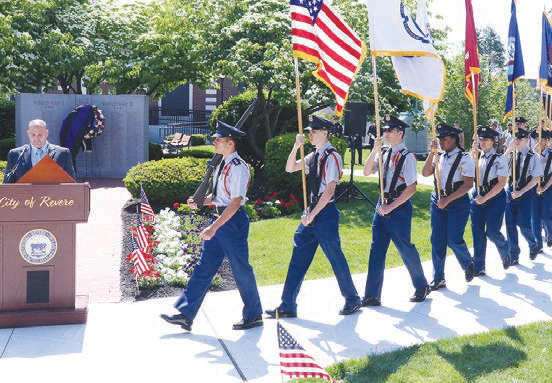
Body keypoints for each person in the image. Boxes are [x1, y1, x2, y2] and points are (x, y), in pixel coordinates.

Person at [161, 121, 262, 331]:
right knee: (204, 267)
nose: (214, 142)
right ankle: (185, 314)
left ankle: (253, 314)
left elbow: (234, 202)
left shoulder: (238, 168)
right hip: (219, 219)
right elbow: (219, 195)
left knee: (241, 269)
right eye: (215, 139)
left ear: (231, 143)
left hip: (231, 223)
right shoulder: (222, 164)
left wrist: (213, 227)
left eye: (219, 139)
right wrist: (202, 201)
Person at [265, 115, 361, 318]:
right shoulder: (313, 156)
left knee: (335, 257)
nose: (310, 134)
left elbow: (330, 191)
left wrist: (312, 215)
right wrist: (295, 146)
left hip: (324, 214)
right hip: (312, 214)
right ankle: (287, 304)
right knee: (298, 257)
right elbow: (290, 168)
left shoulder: (332, 156)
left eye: (313, 131)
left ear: (325, 133)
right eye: (309, 131)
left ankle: (352, 298)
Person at [361, 115, 430, 306]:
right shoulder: (383, 153)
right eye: (385, 130)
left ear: (400, 133)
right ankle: (372, 294)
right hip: (381, 206)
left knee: (404, 248)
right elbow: (367, 171)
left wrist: (391, 206)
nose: (386, 133)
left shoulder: (407, 157)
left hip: (398, 208)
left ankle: (422, 285)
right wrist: (374, 150)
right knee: (376, 250)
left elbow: (412, 188)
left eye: (389, 130)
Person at [421, 122, 476, 290]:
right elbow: (425, 173)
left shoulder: (465, 158)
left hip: (457, 202)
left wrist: (448, 200)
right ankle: (438, 278)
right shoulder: (439, 156)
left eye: (444, 139)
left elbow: (468, 185)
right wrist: (432, 153)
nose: (441, 142)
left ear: (454, 139)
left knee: (453, 239)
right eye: (439, 139)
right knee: (437, 239)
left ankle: (468, 264)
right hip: (438, 200)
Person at [470, 126, 511, 276]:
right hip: (478, 194)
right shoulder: (476, 156)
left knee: (492, 232)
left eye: (486, 140)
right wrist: (472, 154)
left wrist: (485, 198)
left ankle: (505, 248)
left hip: (494, 197)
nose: (482, 142)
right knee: (477, 232)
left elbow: (501, 183)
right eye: (480, 139)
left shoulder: (499, 158)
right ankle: (479, 266)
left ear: (493, 141)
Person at [504, 128, 542, 264]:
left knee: (523, 224)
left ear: (527, 140)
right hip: (511, 192)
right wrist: (509, 149)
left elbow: (536, 179)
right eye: (516, 138)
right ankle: (514, 255)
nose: (518, 141)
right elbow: (499, 166)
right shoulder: (511, 155)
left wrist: (521, 192)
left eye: (521, 138)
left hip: (526, 193)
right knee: (509, 225)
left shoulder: (533, 157)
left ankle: (533, 245)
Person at [4, 119, 76, 183]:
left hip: (53, 197)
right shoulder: (15, 155)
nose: (36, 138)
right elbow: (7, 184)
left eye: (40, 135)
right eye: (33, 135)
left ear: (46, 133)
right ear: (28, 133)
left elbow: (70, 184)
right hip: (25, 197)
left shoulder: (62, 153)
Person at [532, 130, 552, 249]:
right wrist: (534, 151)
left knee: (546, 216)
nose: (538, 142)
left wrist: (544, 187)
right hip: (534, 186)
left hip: (548, 185)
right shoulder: (532, 154)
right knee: (535, 217)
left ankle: (550, 233)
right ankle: (538, 244)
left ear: (546, 141)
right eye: (536, 139)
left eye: (541, 139)